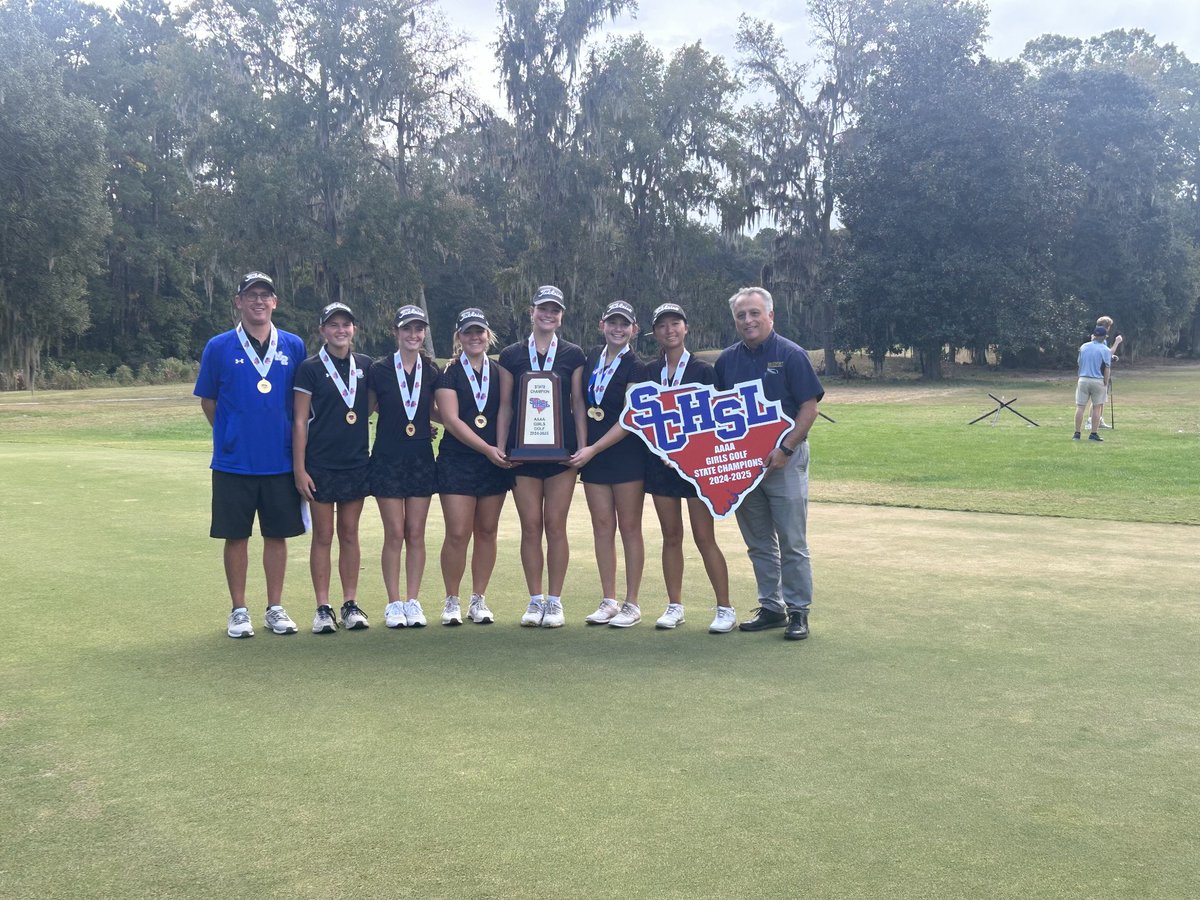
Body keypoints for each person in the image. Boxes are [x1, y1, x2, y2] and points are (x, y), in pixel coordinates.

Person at [195, 271, 307, 639]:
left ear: (275, 302)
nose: (259, 301)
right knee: (236, 536)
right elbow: (209, 401)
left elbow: (302, 406)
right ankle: (239, 610)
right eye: (251, 295)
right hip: (234, 462)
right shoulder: (219, 346)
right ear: (238, 301)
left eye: (265, 295)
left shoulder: (293, 345)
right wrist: (230, 433)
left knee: (277, 536)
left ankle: (275, 607)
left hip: (281, 460)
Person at [715, 287, 824, 642]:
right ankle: (772, 607)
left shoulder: (791, 355)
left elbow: (810, 408)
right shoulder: (726, 360)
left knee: (792, 540)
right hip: (744, 467)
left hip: (785, 461)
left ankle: (798, 611)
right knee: (759, 541)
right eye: (741, 315)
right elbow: (716, 416)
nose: (748, 320)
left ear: (770, 315)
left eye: (754, 313)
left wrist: (786, 448)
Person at [643, 303, 736, 634]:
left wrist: (690, 453)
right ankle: (674, 606)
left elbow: (716, 422)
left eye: (675, 323)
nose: (670, 330)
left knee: (703, 536)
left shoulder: (703, 371)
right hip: (660, 467)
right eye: (663, 325)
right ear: (655, 333)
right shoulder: (650, 372)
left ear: (686, 328)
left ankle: (725, 607)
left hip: (697, 468)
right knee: (671, 536)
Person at [498, 285, 587, 628]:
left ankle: (555, 601)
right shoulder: (511, 354)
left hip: (561, 456)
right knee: (531, 526)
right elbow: (505, 405)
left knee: (555, 526)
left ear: (561, 315)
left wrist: (580, 446)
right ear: (531, 311)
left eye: (555, 310)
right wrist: (501, 447)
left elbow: (577, 402)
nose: (548, 314)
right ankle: (535, 600)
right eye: (543, 309)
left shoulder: (572, 354)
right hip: (522, 456)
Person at [292, 303, 374, 633]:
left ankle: (350, 604)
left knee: (350, 534)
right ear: (322, 330)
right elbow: (299, 421)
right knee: (324, 535)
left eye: (346, 324)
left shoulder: (366, 366)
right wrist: (299, 468)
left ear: (354, 329)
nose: (340, 330)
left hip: (356, 462)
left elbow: (375, 406)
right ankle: (323, 607)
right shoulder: (309, 368)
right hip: (320, 464)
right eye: (333, 325)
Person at [570, 301, 648, 628]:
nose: (618, 328)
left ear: (634, 329)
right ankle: (609, 600)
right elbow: (579, 404)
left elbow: (630, 419)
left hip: (626, 455)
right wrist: (583, 446)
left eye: (624, 324)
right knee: (602, 527)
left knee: (629, 528)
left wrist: (593, 448)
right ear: (602, 324)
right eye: (612, 322)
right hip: (594, 459)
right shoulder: (590, 359)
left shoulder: (637, 367)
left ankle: (632, 603)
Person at [434, 308, 514, 626]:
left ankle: (478, 599)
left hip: (495, 461)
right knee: (457, 533)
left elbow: (506, 409)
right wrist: (488, 449)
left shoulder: (501, 372)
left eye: (479, 331)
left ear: (487, 335)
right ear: (459, 337)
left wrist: (503, 448)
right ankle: (451, 600)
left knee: (487, 532)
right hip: (458, 460)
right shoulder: (448, 374)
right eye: (468, 332)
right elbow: (451, 420)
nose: (475, 337)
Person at [368, 305, 441, 628]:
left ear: (424, 333)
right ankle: (393, 602)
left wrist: (433, 423)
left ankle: (413, 601)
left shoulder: (432, 370)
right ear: (396, 332)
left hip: (421, 457)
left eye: (419, 329)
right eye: (407, 329)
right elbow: (367, 409)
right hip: (387, 457)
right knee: (394, 532)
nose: (413, 335)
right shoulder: (379, 369)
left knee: (415, 532)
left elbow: (437, 409)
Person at [1073, 325, 1112, 442]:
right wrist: (1106, 381)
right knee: (1097, 407)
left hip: (1083, 379)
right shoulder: (1106, 350)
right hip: (1097, 380)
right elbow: (1107, 367)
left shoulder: (1084, 346)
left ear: (1094, 335)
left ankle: (1077, 433)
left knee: (1080, 407)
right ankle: (1093, 433)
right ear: (1104, 337)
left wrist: (1079, 377)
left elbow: (1079, 363)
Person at [1086, 316, 1121, 430]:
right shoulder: (1102, 339)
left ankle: (1099, 420)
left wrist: (1112, 357)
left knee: (1101, 400)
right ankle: (1090, 421)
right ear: (1107, 327)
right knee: (1098, 400)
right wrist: (1117, 342)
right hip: (1100, 373)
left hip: (1096, 372)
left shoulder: (1095, 338)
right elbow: (1107, 354)